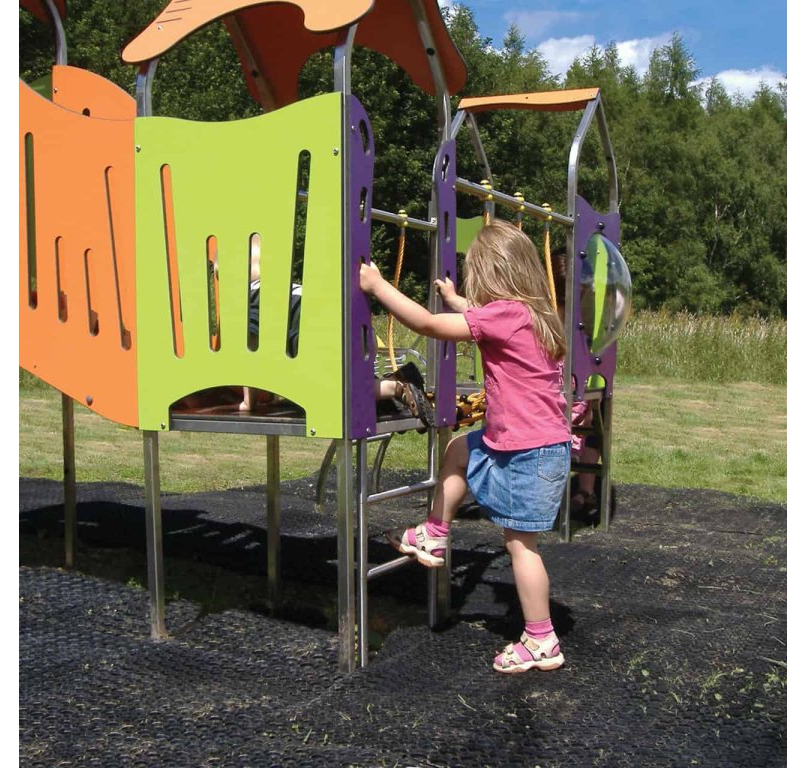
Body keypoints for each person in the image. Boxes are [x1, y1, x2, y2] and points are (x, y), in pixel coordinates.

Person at [359, 220, 570, 674]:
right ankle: (434, 532)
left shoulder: (505, 316)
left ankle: (541, 639)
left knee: (521, 546)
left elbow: (428, 324)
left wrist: (378, 286)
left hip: (527, 451)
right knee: (459, 449)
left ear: (494, 275)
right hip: (535, 444)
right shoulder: (536, 315)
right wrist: (456, 299)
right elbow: (475, 315)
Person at [240, 235, 434, 425]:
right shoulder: (290, 290)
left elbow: (251, 352)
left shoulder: (251, 299)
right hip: (359, 332)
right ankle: (387, 388)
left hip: (331, 341)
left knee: (327, 393)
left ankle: (395, 388)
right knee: (342, 383)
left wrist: (249, 402)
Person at [549, 248, 600, 515]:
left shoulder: (583, 315)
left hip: (574, 385)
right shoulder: (549, 312)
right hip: (557, 388)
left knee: (594, 416)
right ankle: (581, 489)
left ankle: (585, 490)